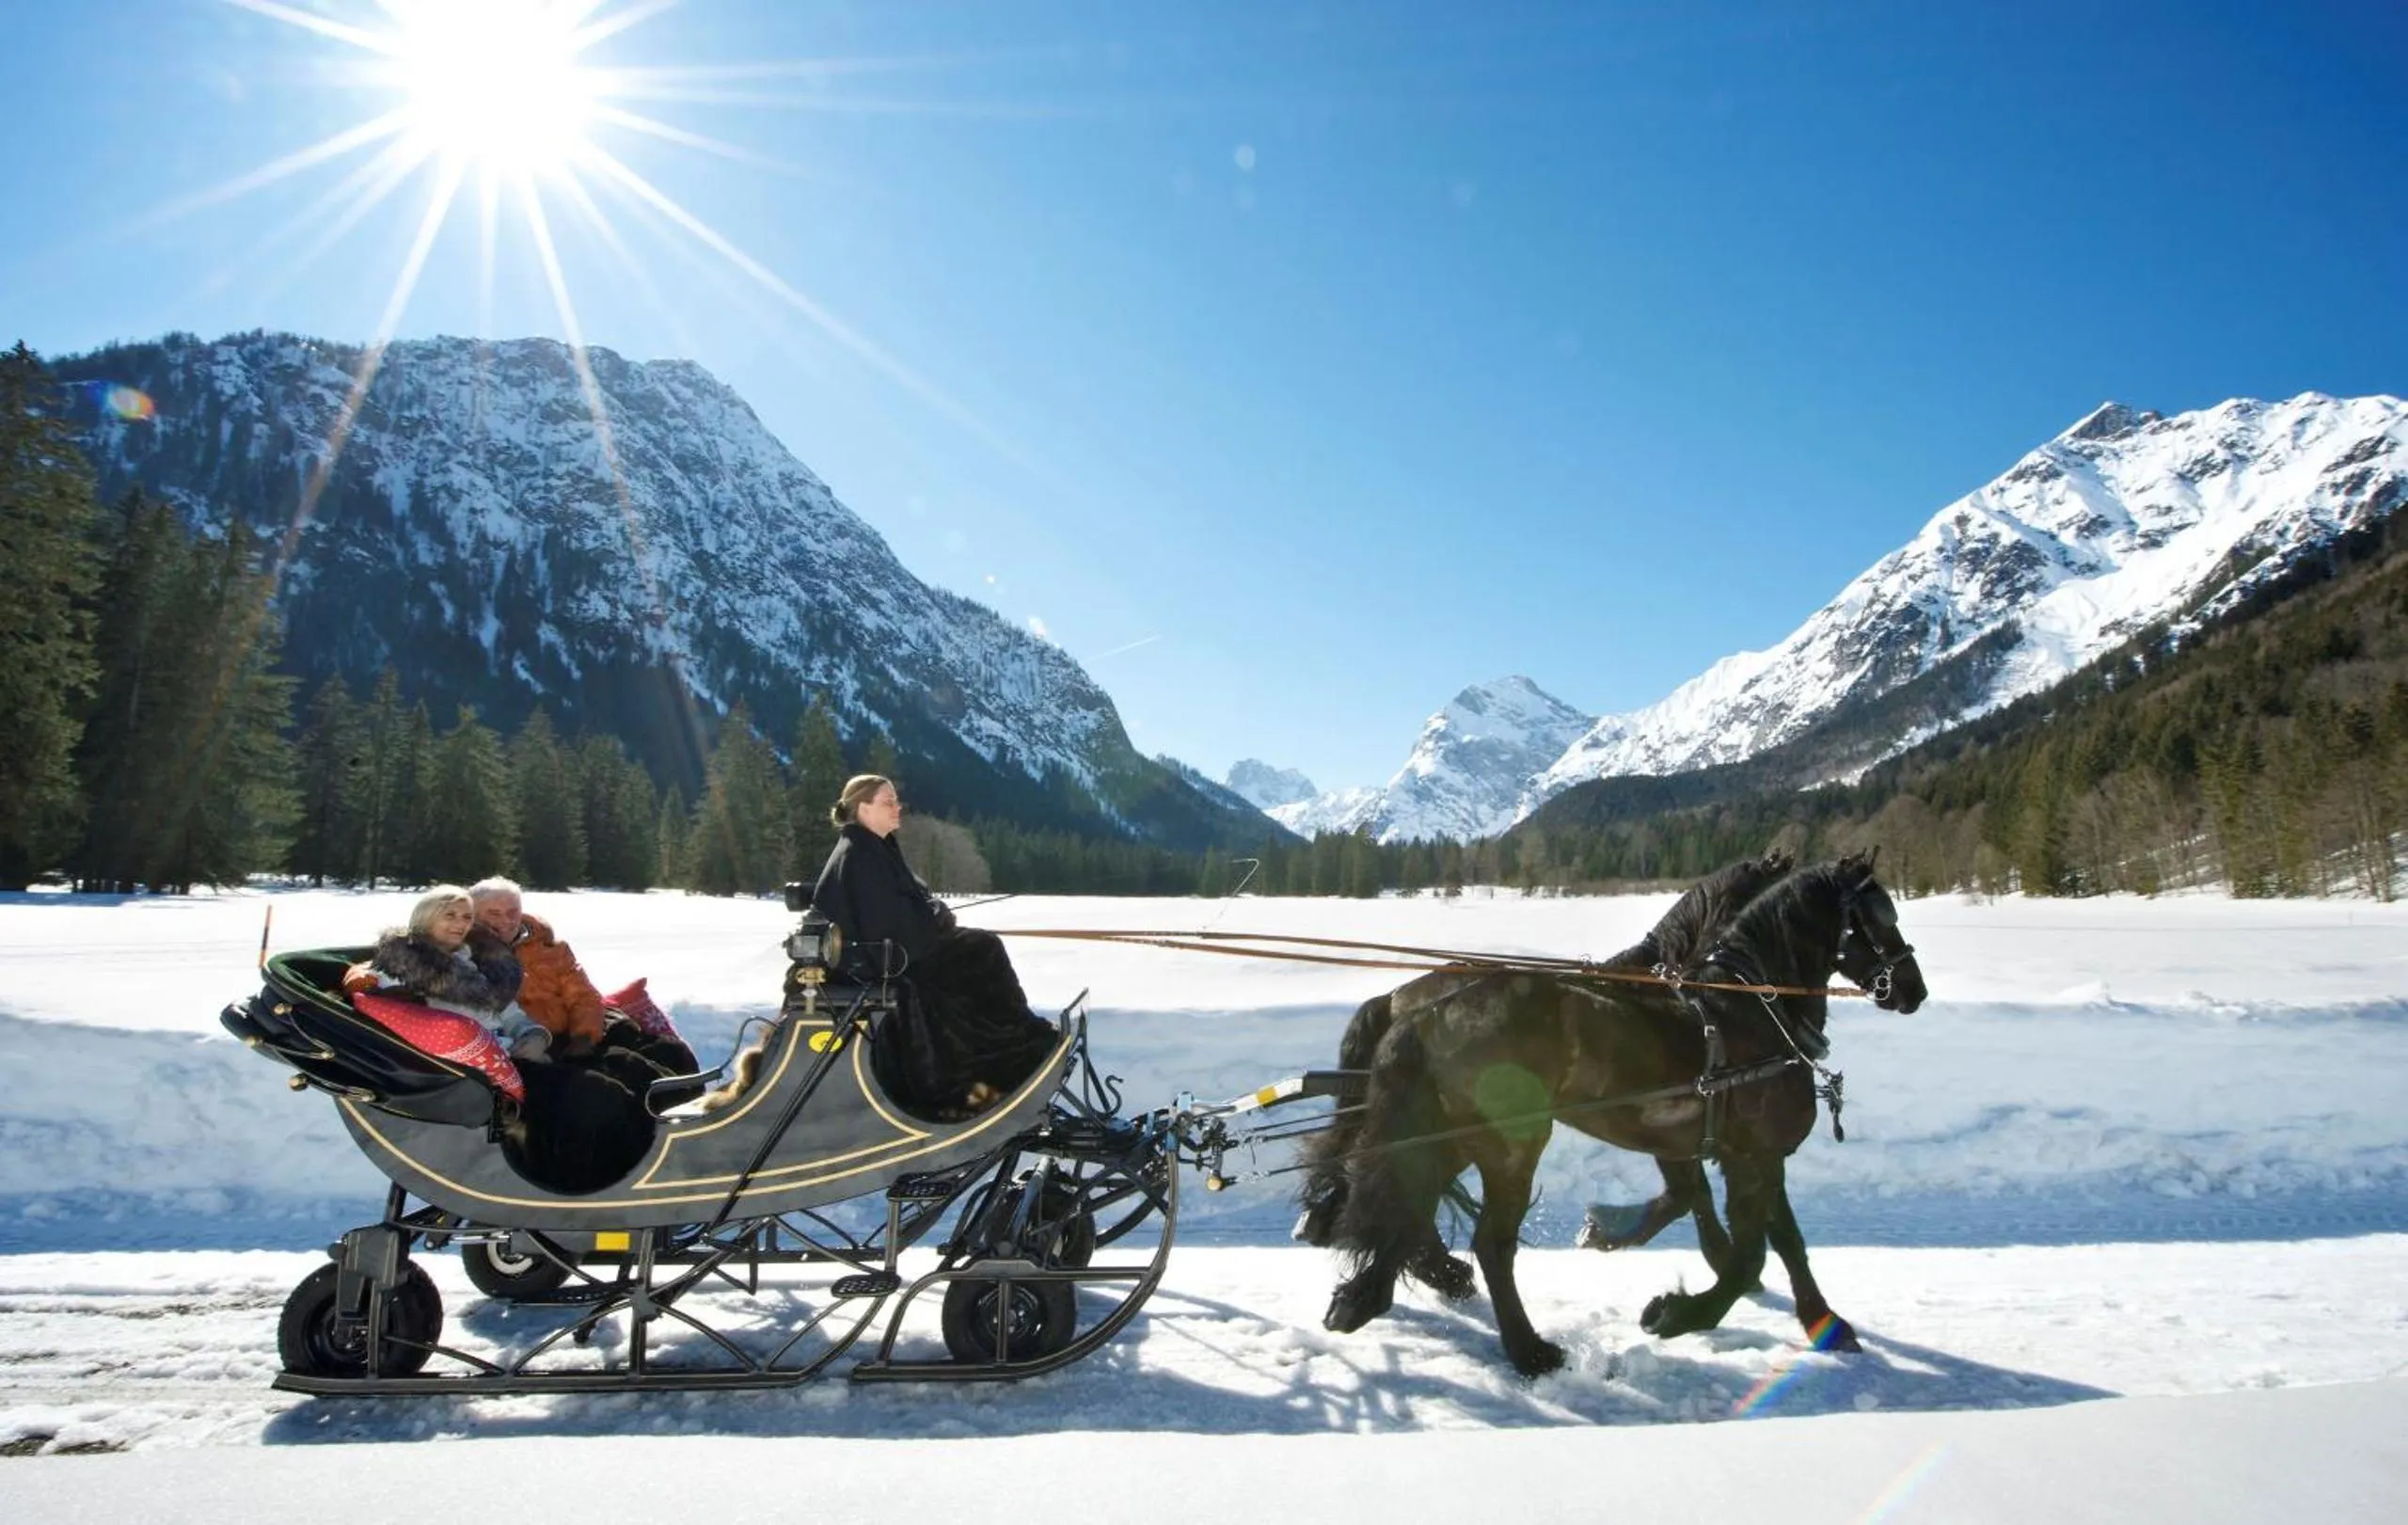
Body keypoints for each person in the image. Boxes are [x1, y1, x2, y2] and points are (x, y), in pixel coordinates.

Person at [811, 774, 1058, 1117]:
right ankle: (1006, 1052)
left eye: (897, 801)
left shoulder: (873, 848)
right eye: (888, 802)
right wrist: (938, 920)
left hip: (895, 952)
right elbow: (890, 925)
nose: (898, 808)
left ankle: (1012, 1041)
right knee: (983, 950)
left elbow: (909, 905)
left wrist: (934, 915)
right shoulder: (860, 856)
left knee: (980, 946)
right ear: (863, 808)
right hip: (883, 962)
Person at [467, 876, 700, 1089]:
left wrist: (584, 1036)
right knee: (612, 1079)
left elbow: (583, 995)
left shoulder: (550, 948)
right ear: (473, 915)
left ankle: (695, 1114)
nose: (506, 921)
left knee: (670, 1052)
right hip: (536, 1042)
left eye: (512, 912)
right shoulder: (466, 955)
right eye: (493, 913)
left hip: (580, 1033)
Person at [352, 885, 549, 1060]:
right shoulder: (401, 969)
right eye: (449, 915)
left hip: (508, 1052)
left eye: (466, 917)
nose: (460, 923)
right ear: (426, 918)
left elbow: (505, 1010)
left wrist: (533, 1034)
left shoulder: (473, 959)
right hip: (466, 1072)